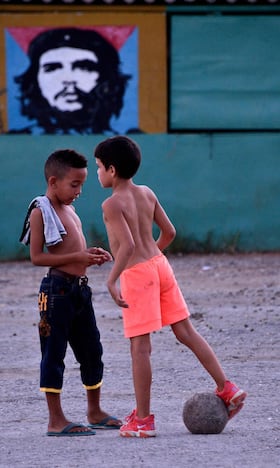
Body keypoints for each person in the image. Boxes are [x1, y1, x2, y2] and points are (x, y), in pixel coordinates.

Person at [94, 135, 247, 438]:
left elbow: (127, 246)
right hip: (161, 266)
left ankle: (143, 420)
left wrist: (113, 279)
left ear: (111, 170)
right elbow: (170, 232)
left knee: (140, 348)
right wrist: (154, 261)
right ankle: (227, 388)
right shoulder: (147, 193)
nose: (97, 173)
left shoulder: (112, 204)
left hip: (137, 274)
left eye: (98, 167)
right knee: (186, 331)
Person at [19, 149, 122, 436]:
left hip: (79, 291)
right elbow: (37, 257)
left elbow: (73, 251)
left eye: (81, 185)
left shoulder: (70, 211)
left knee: (92, 351)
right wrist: (78, 257)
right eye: (73, 185)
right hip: (56, 292)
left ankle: (95, 411)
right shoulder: (41, 211)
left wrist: (89, 255)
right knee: (53, 354)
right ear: (53, 182)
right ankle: (56, 419)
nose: (78, 191)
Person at [12, 27, 131, 135]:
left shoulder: (129, 143)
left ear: (107, 79)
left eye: (84, 68)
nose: (68, 79)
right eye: (52, 68)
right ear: (35, 81)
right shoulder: (14, 141)